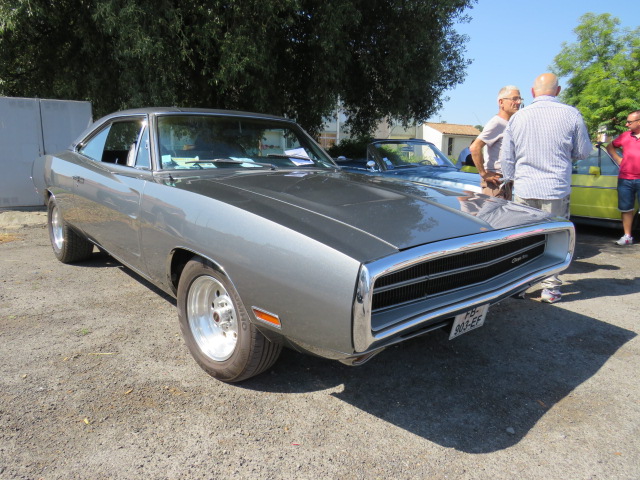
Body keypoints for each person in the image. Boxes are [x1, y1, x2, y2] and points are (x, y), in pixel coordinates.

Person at [500, 73, 592, 303]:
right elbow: (583, 152)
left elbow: (506, 158)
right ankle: (550, 288)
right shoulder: (571, 114)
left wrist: (510, 181)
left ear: (532, 93)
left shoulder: (518, 118)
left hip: (524, 188)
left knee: (524, 239)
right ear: (558, 90)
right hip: (555, 189)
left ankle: (520, 286)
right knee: (555, 240)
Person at [469, 85, 522, 199]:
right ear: (501, 102)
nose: (518, 102)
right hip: (495, 184)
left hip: (505, 182)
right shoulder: (496, 123)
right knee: (494, 216)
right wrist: (484, 174)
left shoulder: (509, 124)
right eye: (514, 99)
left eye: (520, 99)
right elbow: (475, 147)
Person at [606, 110, 640, 246]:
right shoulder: (625, 136)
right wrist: (618, 159)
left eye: (629, 122)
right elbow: (610, 146)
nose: (626, 124)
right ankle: (627, 236)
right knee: (626, 208)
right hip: (625, 178)